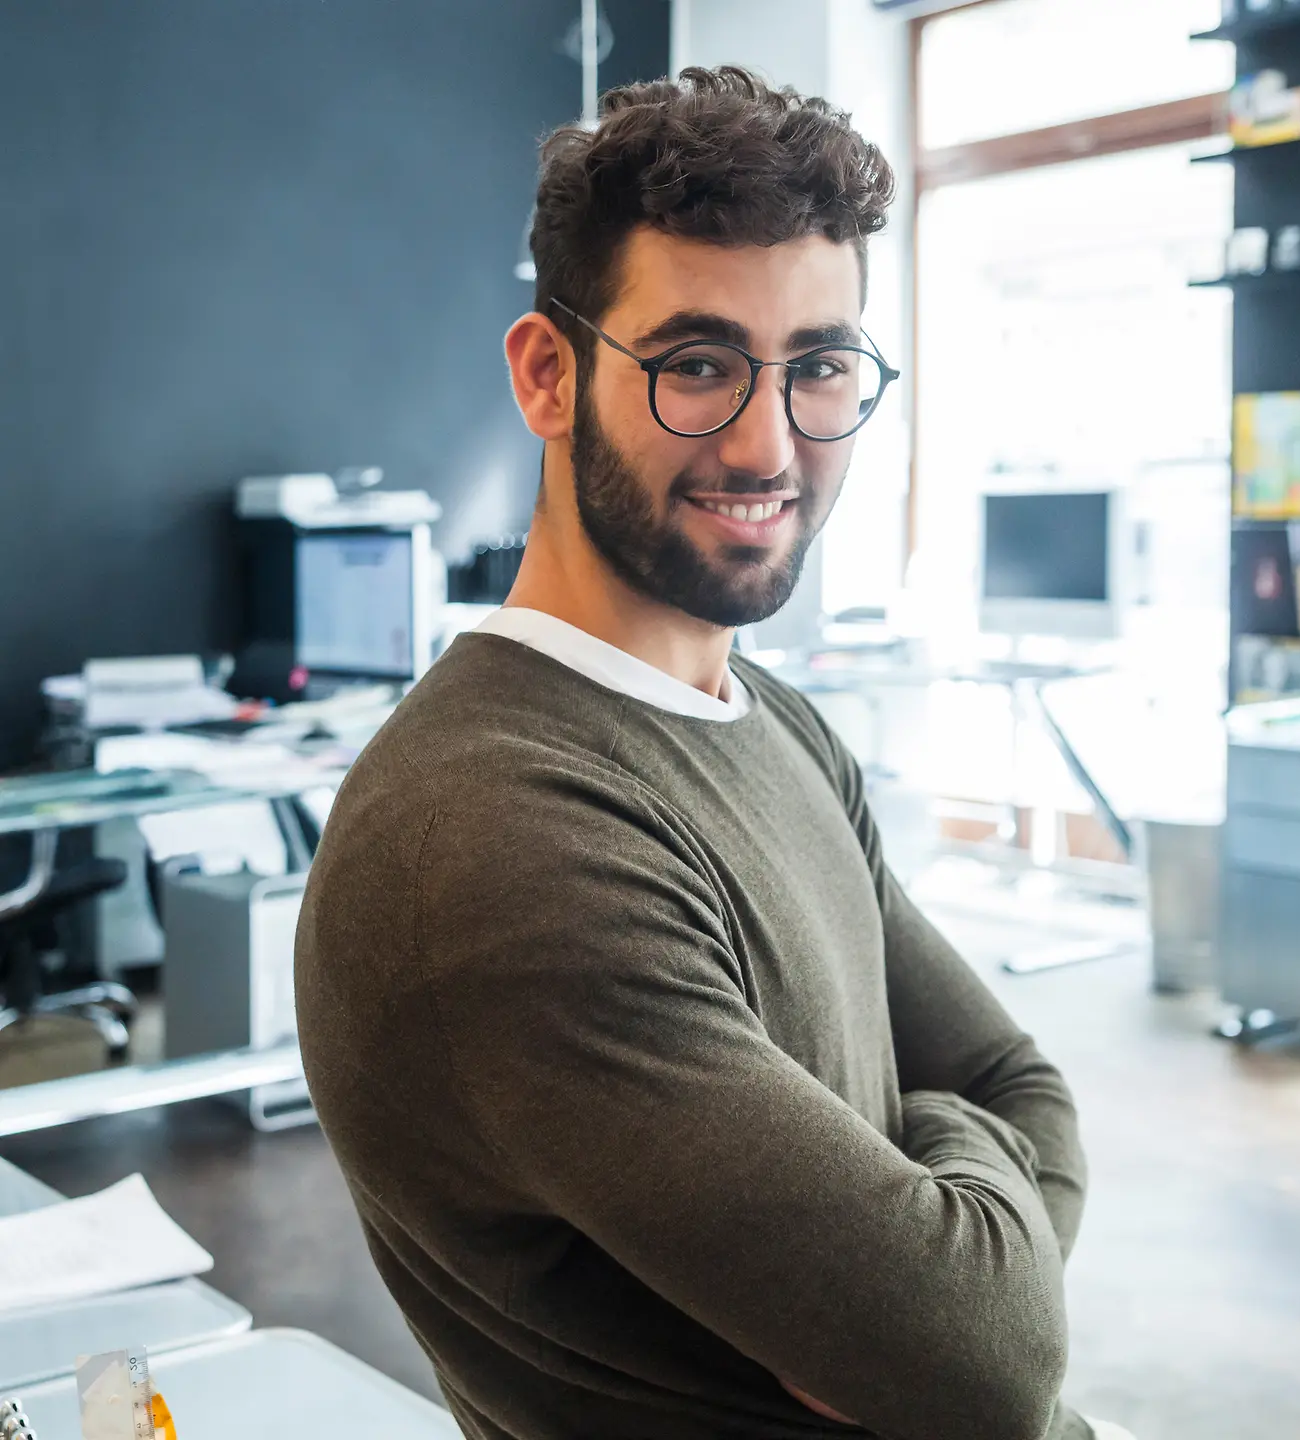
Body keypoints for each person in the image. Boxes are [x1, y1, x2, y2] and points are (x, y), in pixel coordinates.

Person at [296, 66, 1130, 1440]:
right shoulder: (499, 840)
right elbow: (981, 1355)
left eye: (819, 367)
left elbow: (1014, 1086)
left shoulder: (781, 724)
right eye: (695, 366)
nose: (768, 440)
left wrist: (951, 1241)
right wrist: (953, 1263)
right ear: (548, 374)